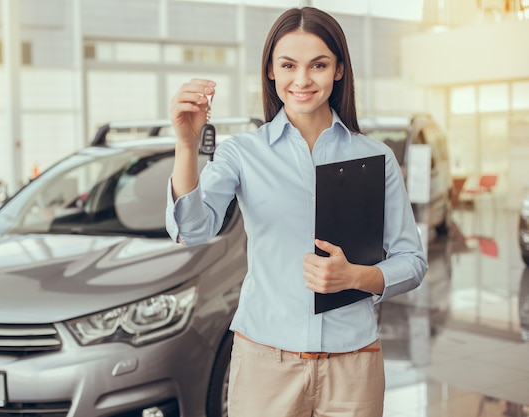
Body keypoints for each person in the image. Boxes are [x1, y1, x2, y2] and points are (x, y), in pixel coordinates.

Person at [166, 7, 428, 417]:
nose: (302, 80)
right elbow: (193, 230)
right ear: (271, 70)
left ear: (339, 70)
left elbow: (412, 262)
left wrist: (356, 277)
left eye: (318, 65)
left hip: (353, 363)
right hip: (265, 363)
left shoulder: (376, 157)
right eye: (288, 65)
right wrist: (186, 145)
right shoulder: (242, 153)